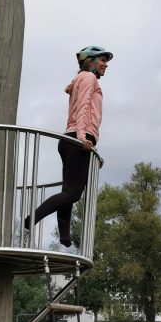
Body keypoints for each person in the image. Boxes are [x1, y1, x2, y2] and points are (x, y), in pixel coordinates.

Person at [25, 45, 112, 247]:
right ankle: (32, 219)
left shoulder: (80, 79)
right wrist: (82, 137)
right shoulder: (89, 78)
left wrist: (91, 148)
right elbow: (83, 107)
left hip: (69, 140)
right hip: (77, 139)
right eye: (102, 60)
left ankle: (64, 236)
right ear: (90, 61)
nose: (105, 65)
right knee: (73, 193)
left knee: (68, 191)